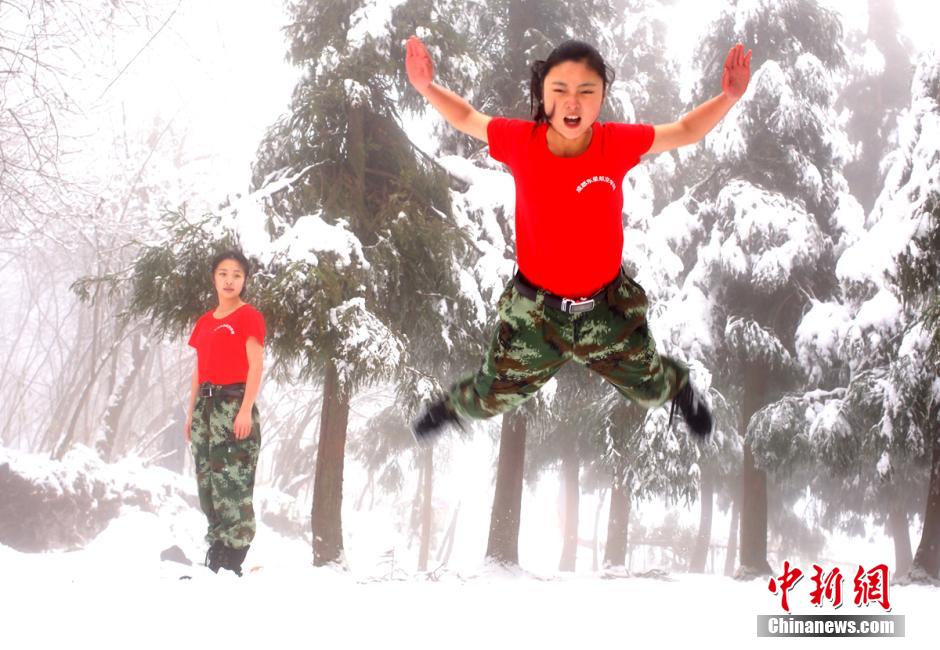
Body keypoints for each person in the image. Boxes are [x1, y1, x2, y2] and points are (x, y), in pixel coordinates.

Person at [406, 35, 752, 440]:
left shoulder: (615, 143)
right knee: (489, 396)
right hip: (537, 314)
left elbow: (686, 130)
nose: (573, 102)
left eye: (586, 91)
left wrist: (728, 97)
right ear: (542, 94)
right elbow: (467, 117)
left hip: (607, 310)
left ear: (602, 96)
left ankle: (678, 388)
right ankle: (451, 408)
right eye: (560, 90)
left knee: (650, 388)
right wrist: (426, 87)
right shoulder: (520, 140)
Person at [184, 249, 266, 575]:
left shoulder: (249, 317)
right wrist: (190, 413)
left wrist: (245, 409)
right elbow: (198, 370)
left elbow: (256, 365)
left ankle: (234, 555)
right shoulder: (204, 322)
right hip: (205, 406)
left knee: (232, 482)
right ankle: (216, 550)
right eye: (223, 273)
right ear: (213, 277)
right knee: (207, 482)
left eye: (236, 274)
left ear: (244, 280)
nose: (229, 280)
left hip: (233, 405)